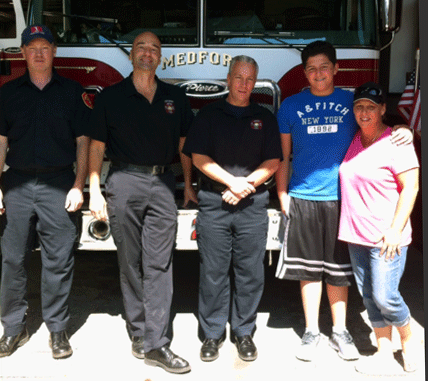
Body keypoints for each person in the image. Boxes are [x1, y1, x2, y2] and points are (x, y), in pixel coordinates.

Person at [274, 40, 413, 362]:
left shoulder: (353, 101)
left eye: (324, 67)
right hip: (303, 196)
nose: (318, 73)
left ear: (336, 68)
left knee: (339, 270)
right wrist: (282, 194)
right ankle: (311, 331)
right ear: (304, 72)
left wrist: (402, 128)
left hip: (345, 202)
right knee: (309, 270)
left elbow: (377, 128)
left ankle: (340, 330)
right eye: (311, 69)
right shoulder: (290, 107)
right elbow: (282, 156)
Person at [88, 31, 196, 374]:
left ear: (160, 57)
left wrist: (189, 186)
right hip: (123, 182)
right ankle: (138, 331)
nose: (147, 53)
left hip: (164, 183)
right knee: (129, 262)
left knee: (160, 264)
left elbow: (184, 144)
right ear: (131, 54)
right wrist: (94, 189)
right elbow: (96, 146)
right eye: (141, 47)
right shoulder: (111, 97)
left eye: (154, 49)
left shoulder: (174, 97)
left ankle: (156, 342)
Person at [182, 55, 282, 362]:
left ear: (255, 82)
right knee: (213, 272)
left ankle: (243, 332)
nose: (244, 84)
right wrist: (231, 183)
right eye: (238, 78)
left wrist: (246, 185)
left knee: (250, 272)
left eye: (250, 79)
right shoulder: (209, 115)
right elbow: (197, 156)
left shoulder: (264, 117)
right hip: (214, 203)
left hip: (252, 204)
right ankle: (212, 334)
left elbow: (273, 161)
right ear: (228, 79)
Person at [0, 25, 90, 359]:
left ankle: (57, 330)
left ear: (54, 51)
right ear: (22, 53)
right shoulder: (7, 94)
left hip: (58, 185)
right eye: (32, 48)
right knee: (12, 259)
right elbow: (0, 143)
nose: (38, 53)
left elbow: (84, 142)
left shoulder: (72, 92)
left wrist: (78, 186)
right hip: (17, 184)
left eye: (45, 47)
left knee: (59, 261)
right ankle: (12, 328)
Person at [338, 82, 420, 375]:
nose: (364, 112)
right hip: (355, 233)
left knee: (386, 295)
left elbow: (411, 186)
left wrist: (396, 229)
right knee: (370, 297)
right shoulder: (354, 138)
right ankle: (384, 350)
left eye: (371, 107)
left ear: (383, 109)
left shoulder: (397, 141)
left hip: (387, 236)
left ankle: (408, 338)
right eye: (359, 106)